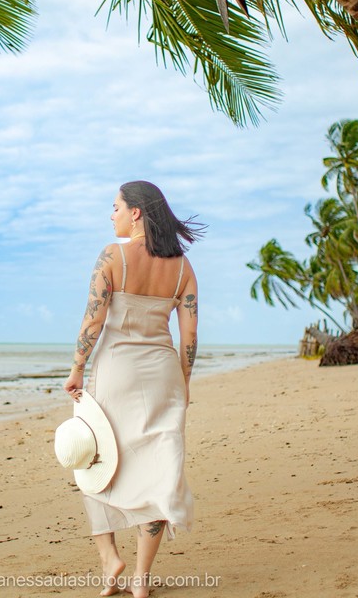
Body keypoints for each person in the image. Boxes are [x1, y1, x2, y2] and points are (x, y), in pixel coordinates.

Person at [63, 180, 203, 598]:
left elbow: (93, 320)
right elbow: (190, 335)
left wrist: (76, 368)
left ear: (136, 212)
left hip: (116, 373)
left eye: (116, 207)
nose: (112, 215)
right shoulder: (182, 267)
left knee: (92, 459)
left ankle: (110, 558)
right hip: (163, 376)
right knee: (160, 470)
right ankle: (141, 579)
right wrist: (185, 382)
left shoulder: (113, 255)